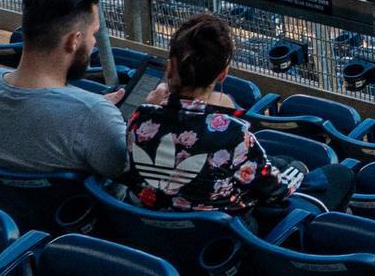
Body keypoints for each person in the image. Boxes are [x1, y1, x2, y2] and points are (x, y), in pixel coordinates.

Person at [124, 14, 303, 214]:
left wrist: (151, 107)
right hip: (219, 237)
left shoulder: (140, 116)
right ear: (222, 74)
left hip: (143, 228)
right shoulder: (233, 133)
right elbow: (274, 189)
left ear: (170, 66)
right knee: (323, 172)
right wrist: (299, 174)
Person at [0, 0, 131, 177]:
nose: (93, 43)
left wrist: (95, 110)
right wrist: (145, 120)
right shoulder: (94, 116)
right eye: (93, 34)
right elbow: (124, 172)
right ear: (74, 40)